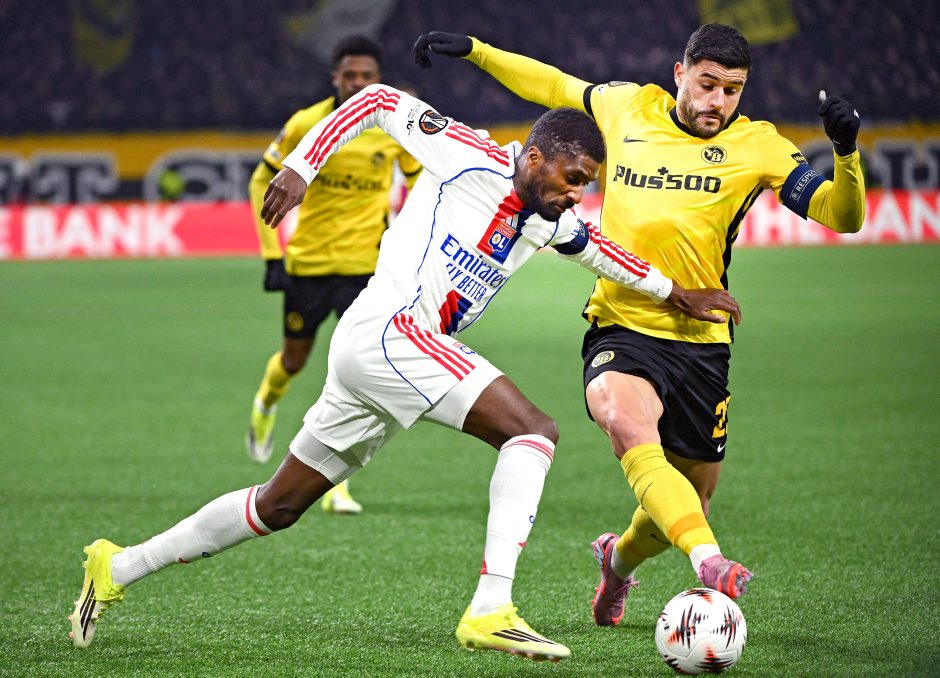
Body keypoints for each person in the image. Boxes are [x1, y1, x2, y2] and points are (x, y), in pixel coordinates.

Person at [69, 84, 742, 661]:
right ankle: (491, 607)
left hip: (383, 354)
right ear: (535, 157)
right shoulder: (467, 154)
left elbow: (600, 252)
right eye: (572, 178)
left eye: (586, 185)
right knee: (533, 431)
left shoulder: (547, 219)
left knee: (278, 505)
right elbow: (377, 100)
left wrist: (676, 293)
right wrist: (303, 166)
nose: (577, 194)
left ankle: (117, 565)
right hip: (392, 332)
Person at [414, 24, 865, 625]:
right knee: (627, 424)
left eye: (732, 90)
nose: (717, 101)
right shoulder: (628, 106)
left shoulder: (760, 146)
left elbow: (843, 216)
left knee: (688, 498)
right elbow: (551, 84)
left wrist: (846, 153)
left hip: (702, 342)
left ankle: (617, 562)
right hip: (621, 324)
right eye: (707, 84)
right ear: (680, 74)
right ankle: (708, 561)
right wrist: (477, 51)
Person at [246, 35, 422, 515]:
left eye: (367, 76)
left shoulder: (393, 128)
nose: (358, 83)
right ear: (335, 78)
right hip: (308, 265)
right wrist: (271, 253)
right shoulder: (307, 123)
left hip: (365, 270)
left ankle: (334, 484)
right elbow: (261, 177)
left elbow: (421, 180)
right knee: (294, 360)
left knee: (353, 373)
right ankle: (265, 403)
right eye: (350, 76)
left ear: (379, 79)